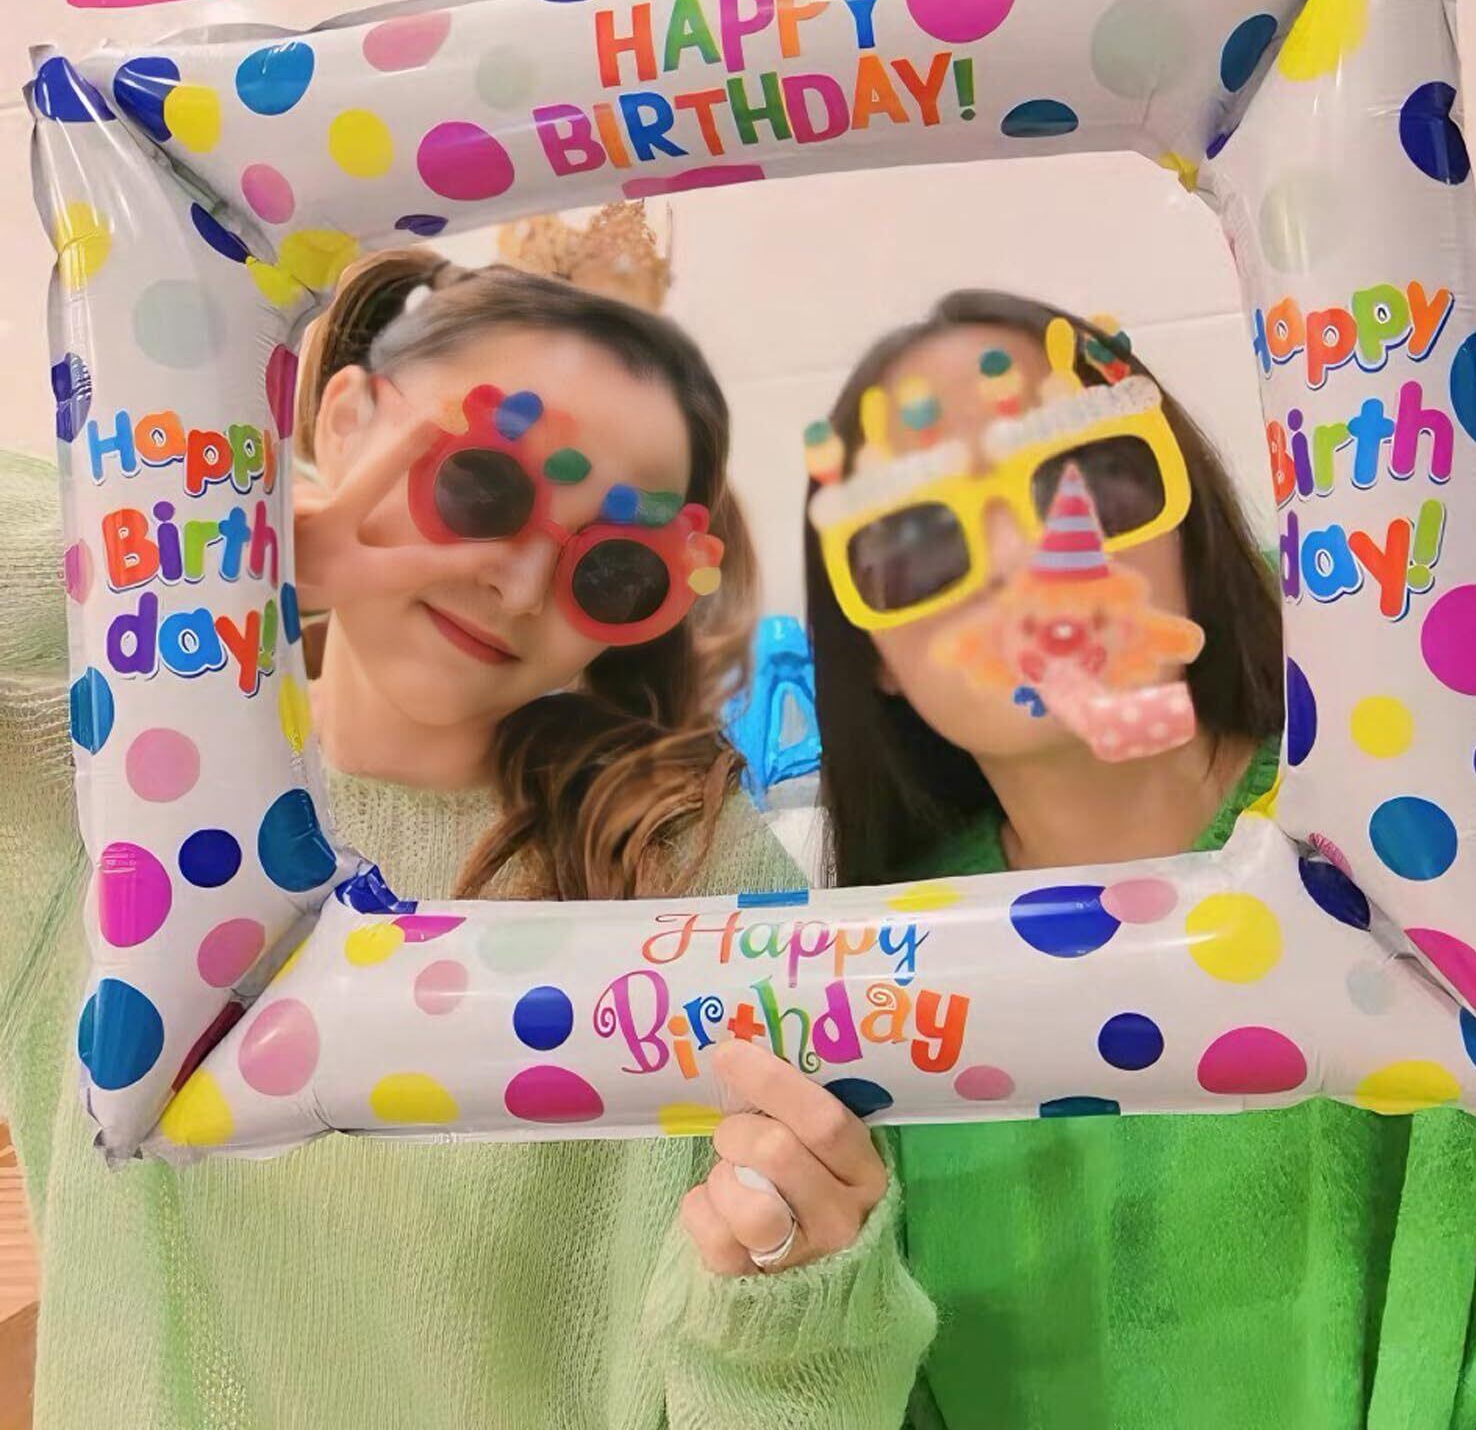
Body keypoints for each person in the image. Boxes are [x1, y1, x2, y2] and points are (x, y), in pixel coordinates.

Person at [0, 251, 933, 1428]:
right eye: (483, 486)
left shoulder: (687, 877)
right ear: (346, 424)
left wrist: (791, 1312)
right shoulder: (100, 781)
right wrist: (227, 541)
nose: (521, 584)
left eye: (613, 566)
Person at [804, 289, 1476, 1430]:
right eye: (918, 540)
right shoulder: (867, 987)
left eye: (1087, 479)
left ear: (1180, 520)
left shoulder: (1438, 873)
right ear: (871, 651)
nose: (1029, 557)